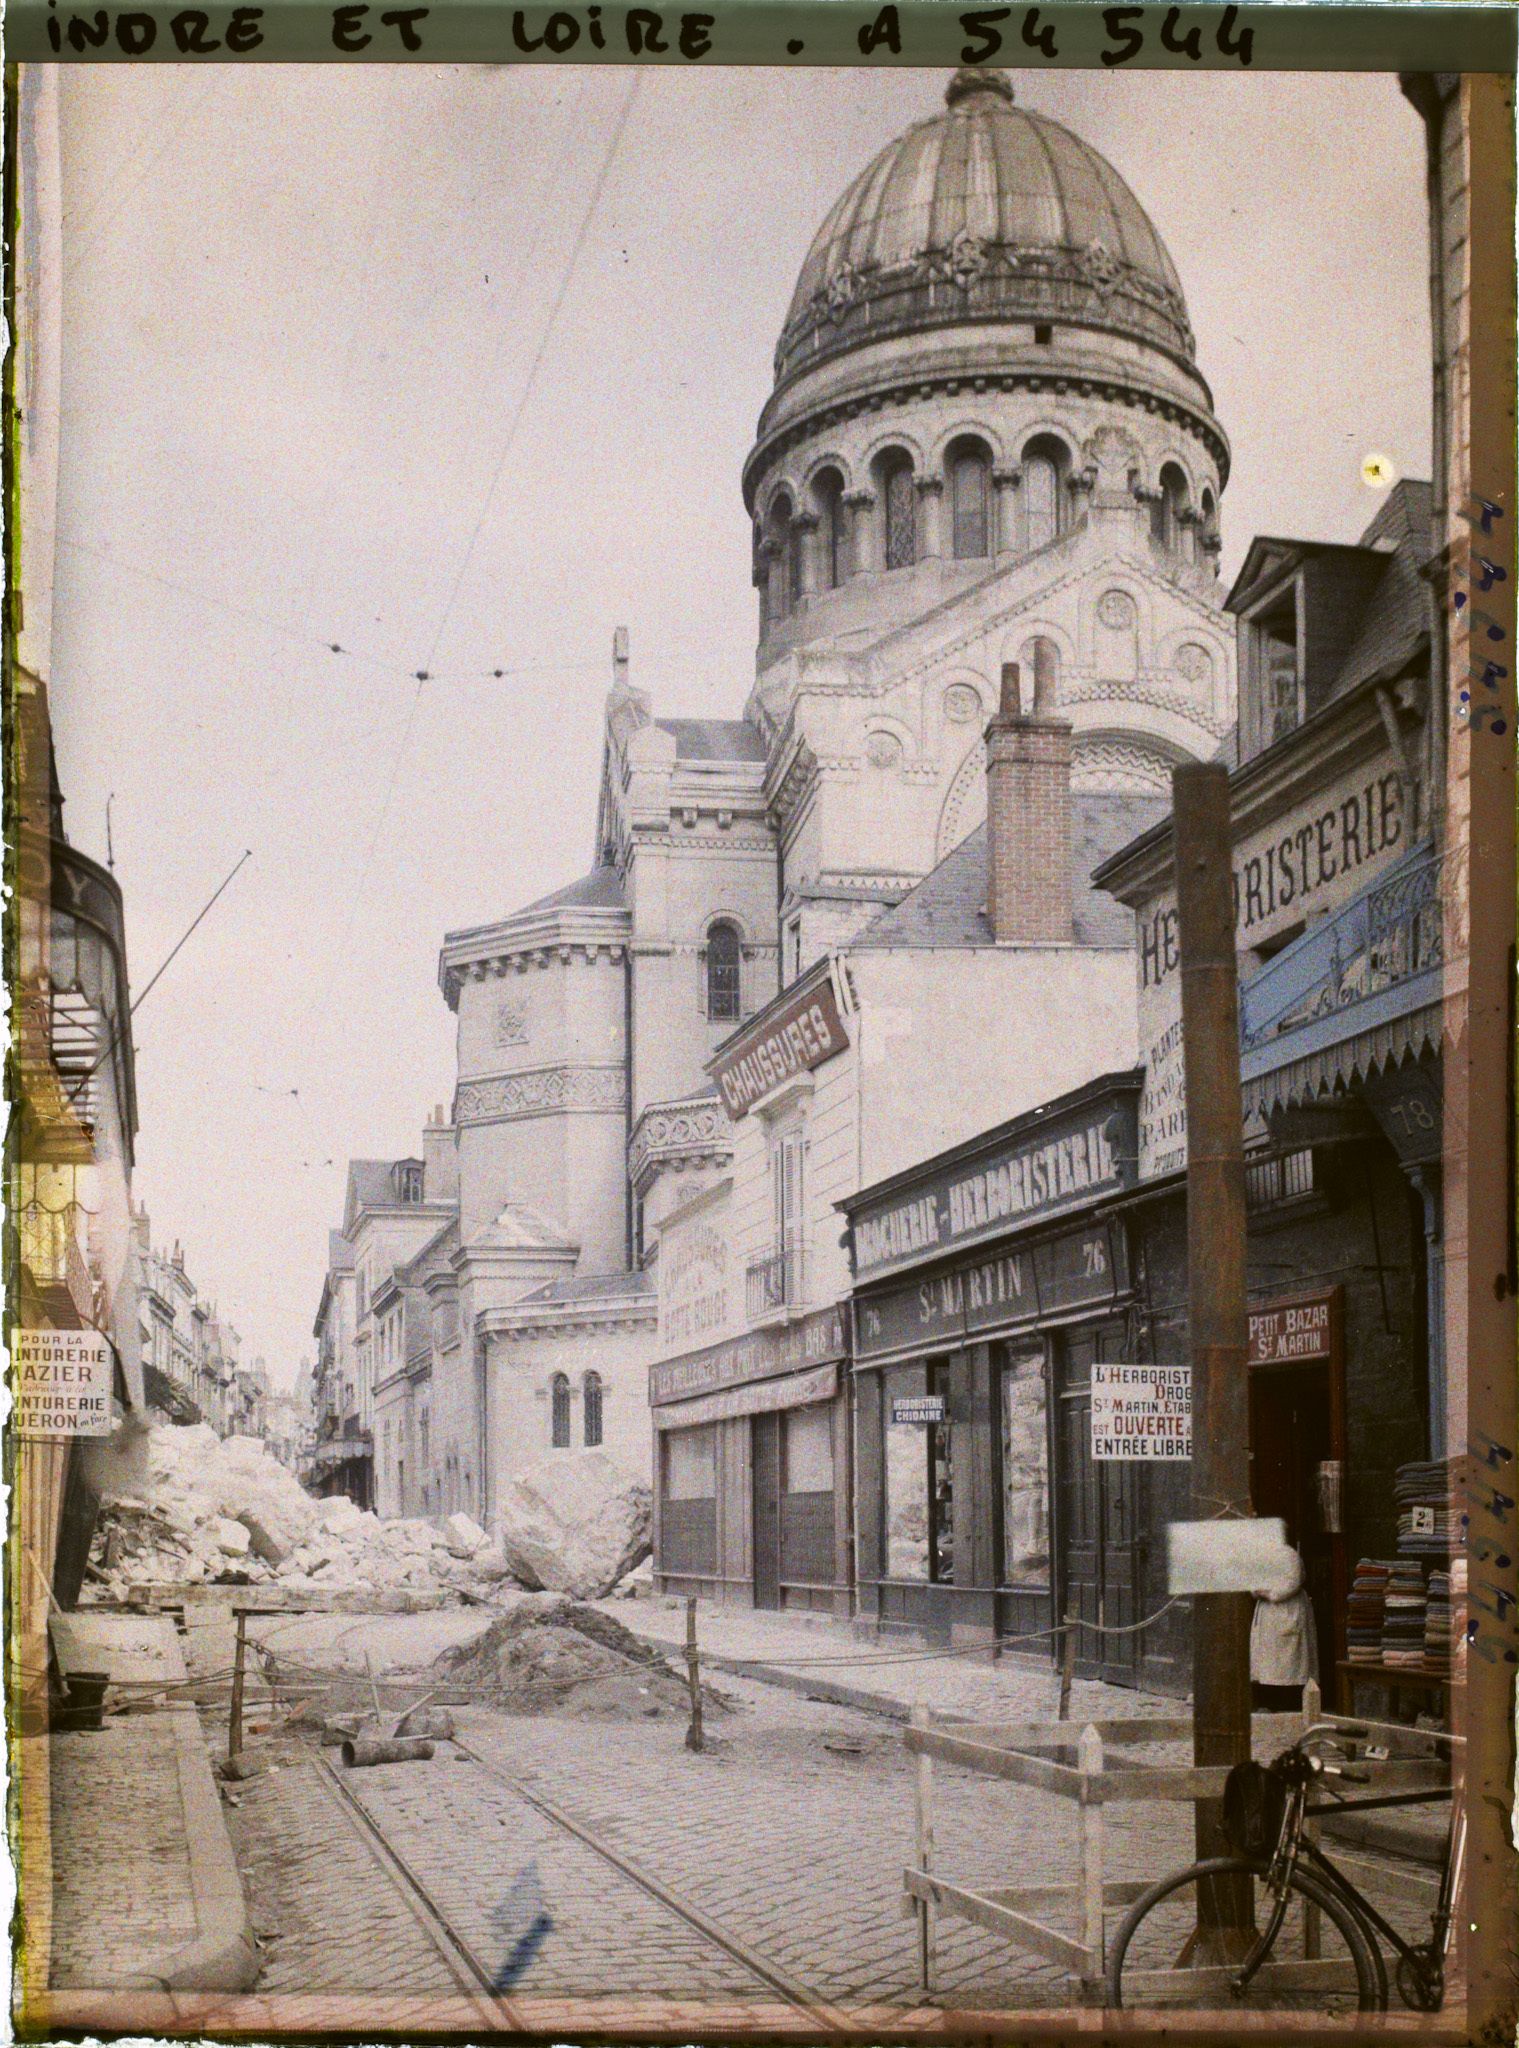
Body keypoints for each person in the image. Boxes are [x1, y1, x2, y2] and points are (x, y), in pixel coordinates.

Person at [1251, 1540, 1318, 1712]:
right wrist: (1257, 1589)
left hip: (1287, 1611)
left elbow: (1292, 1582)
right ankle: (1270, 1701)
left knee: (1289, 1662)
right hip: (1268, 1613)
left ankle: (1288, 1704)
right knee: (1269, 1662)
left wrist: (1268, 1591)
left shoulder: (1289, 1555)